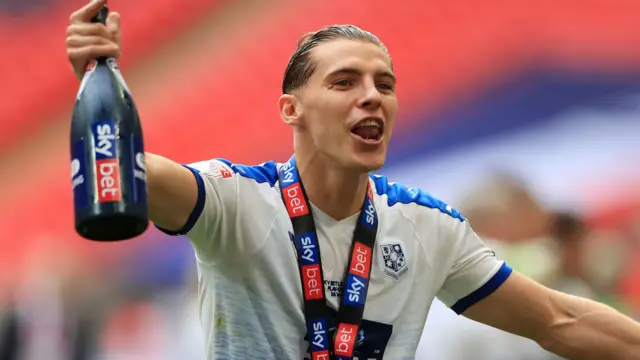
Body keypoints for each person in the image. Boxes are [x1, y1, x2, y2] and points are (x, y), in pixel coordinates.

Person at [65, 1, 640, 359]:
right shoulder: (235, 200)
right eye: (344, 82)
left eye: (384, 84)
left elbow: (559, 321)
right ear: (292, 110)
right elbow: (127, 167)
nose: (371, 95)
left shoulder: (427, 226)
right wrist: (97, 76)